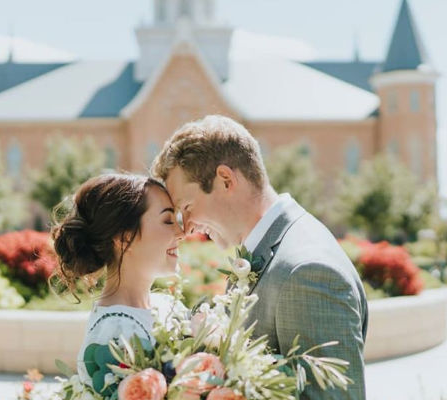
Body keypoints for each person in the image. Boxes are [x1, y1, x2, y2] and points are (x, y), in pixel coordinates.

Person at [151, 115, 369, 399]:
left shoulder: (307, 272)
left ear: (225, 180)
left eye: (188, 207)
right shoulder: (266, 252)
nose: (187, 226)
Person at [50, 174, 186, 378]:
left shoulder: (164, 306)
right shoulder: (117, 333)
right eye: (168, 220)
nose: (181, 232)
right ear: (125, 237)